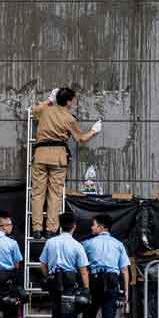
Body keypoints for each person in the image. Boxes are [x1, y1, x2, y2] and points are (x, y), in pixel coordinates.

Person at [31, 87, 101, 240]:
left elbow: (34, 111)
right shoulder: (69, 118)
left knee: (37, 193)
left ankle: (36, 229)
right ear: (68, 101)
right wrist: (94, 130)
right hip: (58, 158)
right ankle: (50, 229)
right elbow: (80, 139)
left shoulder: (45, 111)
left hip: (40, 156)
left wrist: (49, 100)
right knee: (54, 195)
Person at [73, 214, 130, 318]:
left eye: (93, 225)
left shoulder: (87, 244)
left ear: (101, 227)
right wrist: (126, 293)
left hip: (94, 281)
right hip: (111, 283)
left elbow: (80, 264)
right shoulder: (118, 245)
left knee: (88, 317)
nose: (91, 227)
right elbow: (124, 270)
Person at [39, 212, 90, 318]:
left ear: (60, 226)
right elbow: (83, 271)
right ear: (74, 226)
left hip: (54, 283)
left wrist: (48, 277)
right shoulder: (77, 245)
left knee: (57, 313)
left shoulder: (50, 242)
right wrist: (87, 290)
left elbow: (42, 265)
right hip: (69, 285)